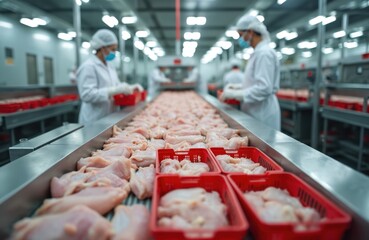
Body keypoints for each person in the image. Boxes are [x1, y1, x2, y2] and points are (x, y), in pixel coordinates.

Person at [221, 15, 281, 131]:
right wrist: (238, 87)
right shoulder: (257, 53)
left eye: (240, 35)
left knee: (264, 147)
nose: (241, 39)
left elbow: (264, 88)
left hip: (262, 113)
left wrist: (235, 94)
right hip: (254, 111)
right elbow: (255, 82)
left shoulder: (264, 54)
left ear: (250, 32)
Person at [77, 29, 142, 124]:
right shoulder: (88, 66)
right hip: (94, 119)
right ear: (102, 48)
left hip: (110, 116)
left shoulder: (110, 66)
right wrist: (113, 91)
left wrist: (129, 87)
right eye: (113, 49)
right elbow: (87, 95)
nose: (114, 53)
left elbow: (117, 85)